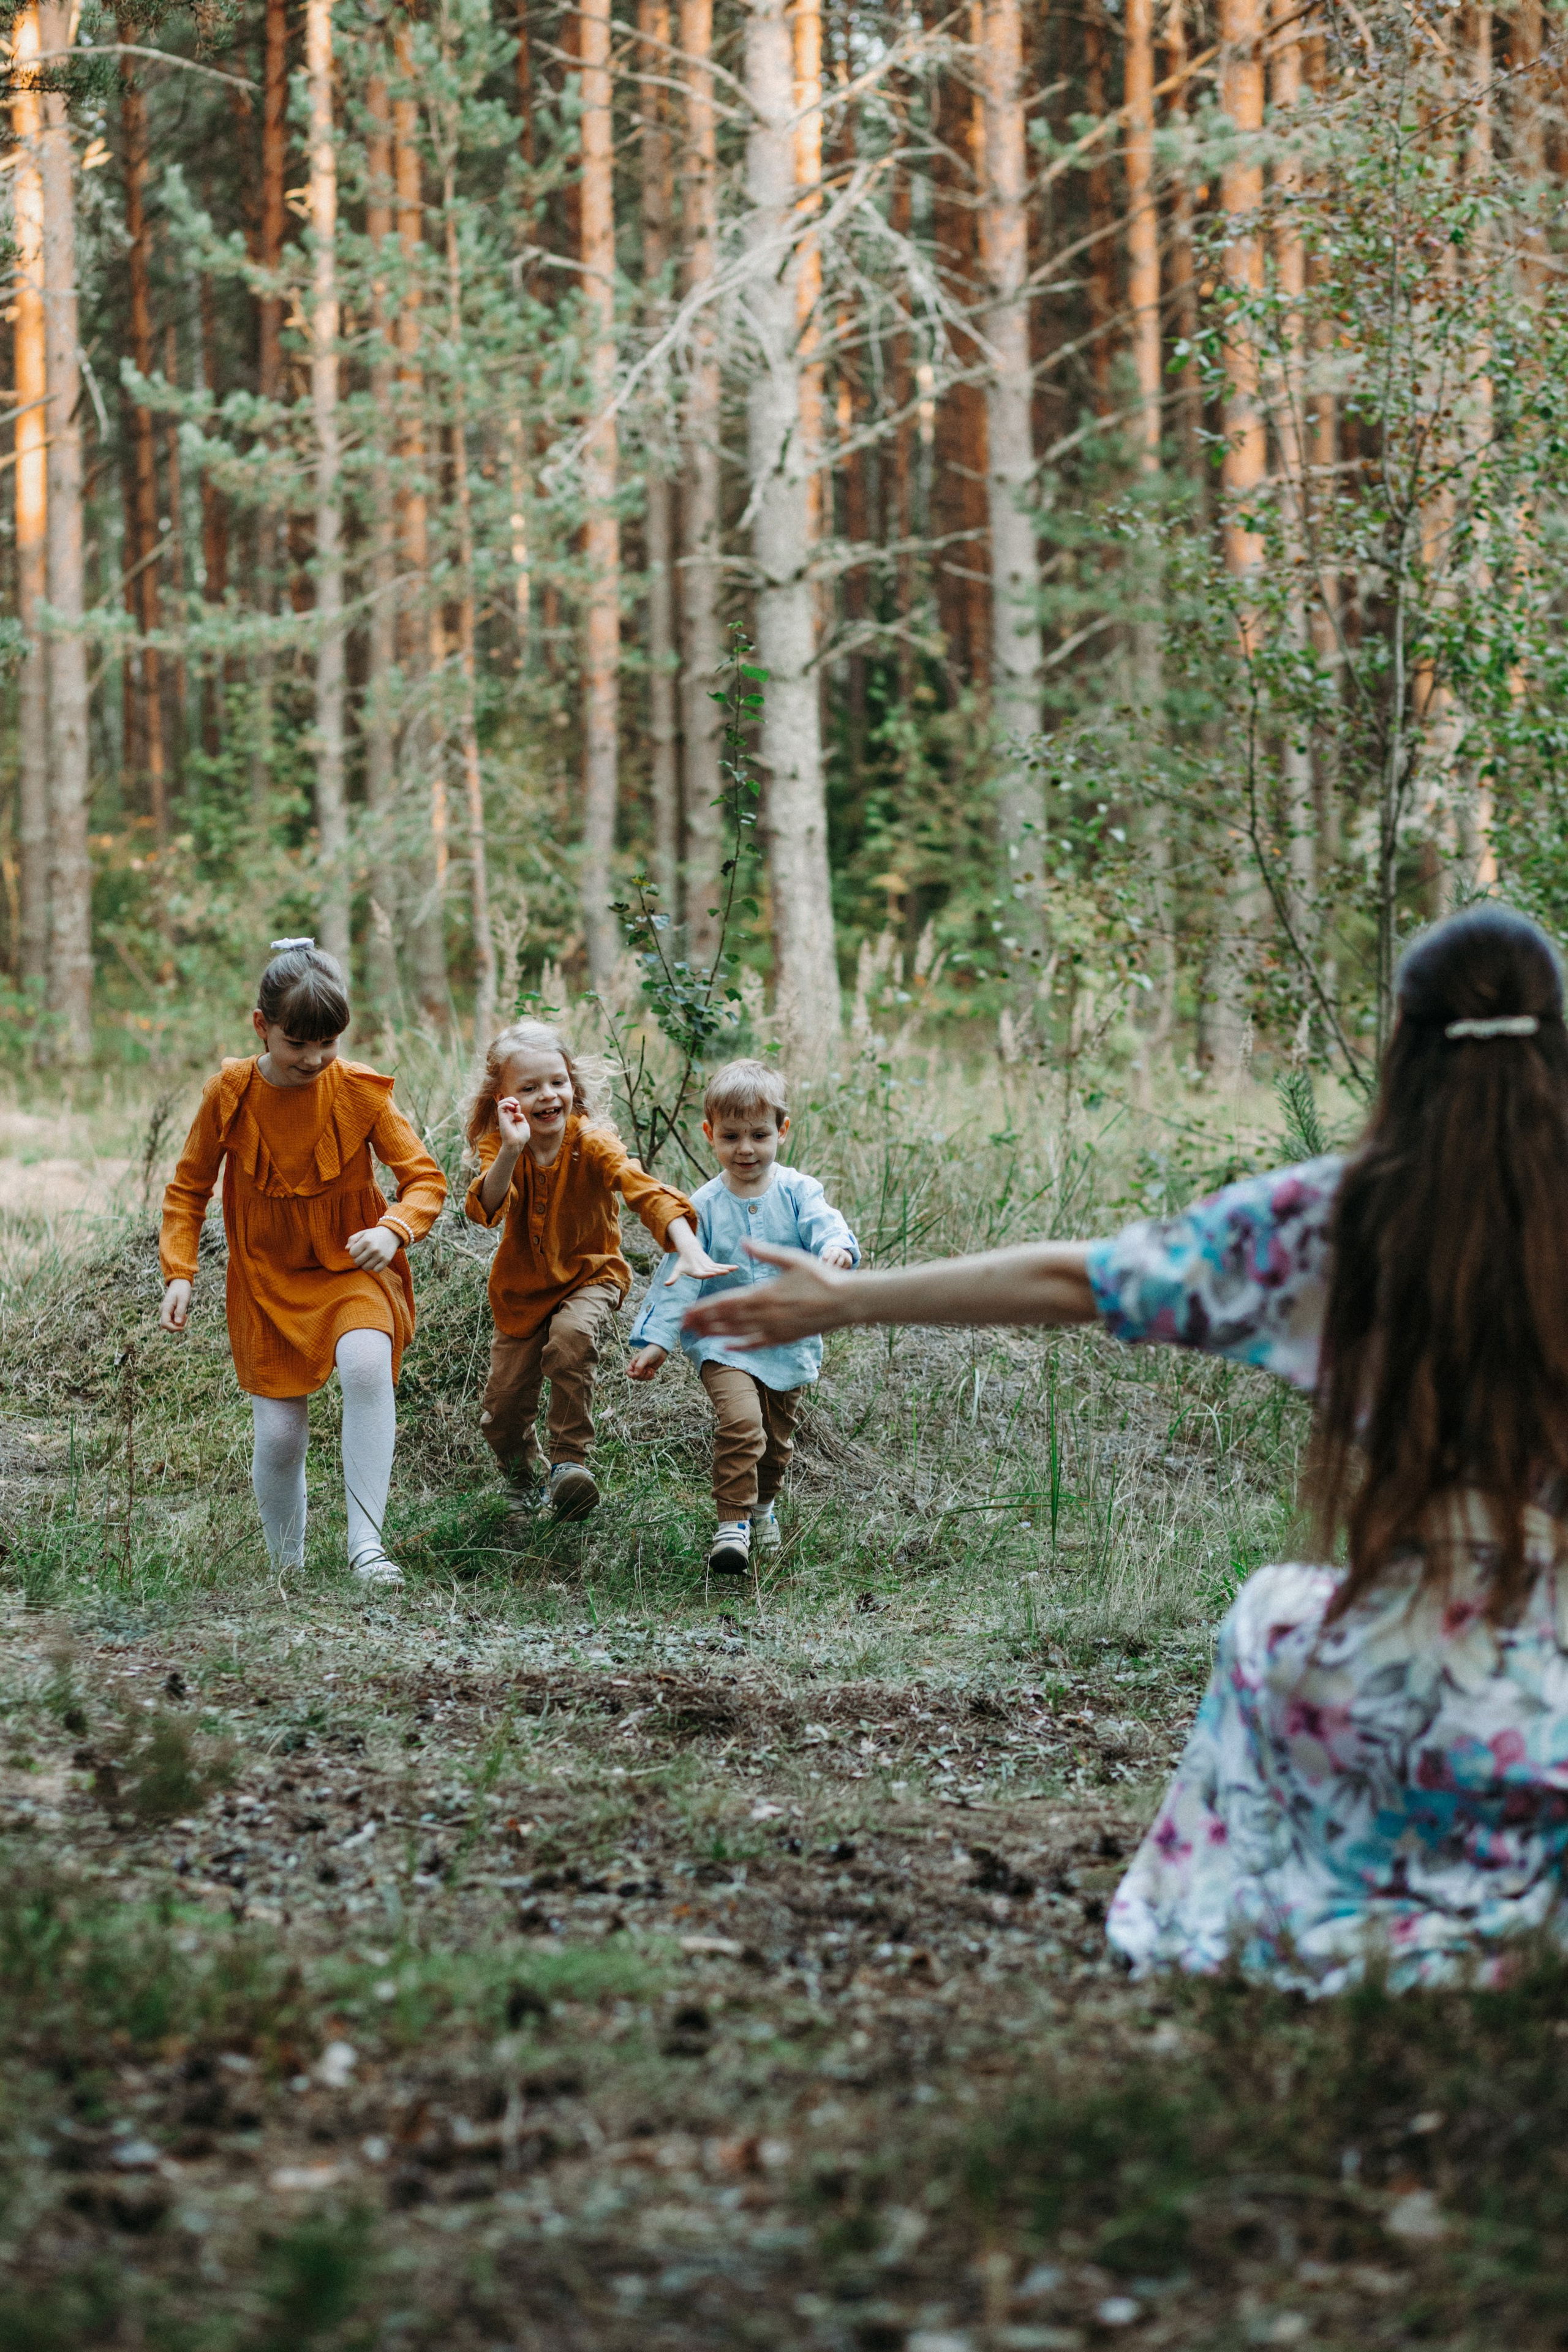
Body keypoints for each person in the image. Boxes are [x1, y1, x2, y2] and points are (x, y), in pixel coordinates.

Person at [684, 905, 1568, 1993]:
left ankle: (1343, 1919)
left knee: (1270, 1625)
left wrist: (853, 1299)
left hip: (1397, 1671)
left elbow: (1083, 1279)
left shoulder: (1340, 1221)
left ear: (1405, 1046)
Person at [159, 940, 447, 1588]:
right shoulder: (228, 1094)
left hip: (350, 1267)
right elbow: (187, 1190)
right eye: (297, 1045)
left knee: (368, 1364)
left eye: (328, 1045)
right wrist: (180, 1271)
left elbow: (425, 1179)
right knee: (282, 1435)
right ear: (261, 1027)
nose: (314, 1060)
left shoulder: (360, 1094)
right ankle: (285, 1564)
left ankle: (366, 1545)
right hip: (265, 1278)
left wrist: (394, 1229)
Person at [464, 1020, 735, 1524]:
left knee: (569, 1339)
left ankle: (569, 1465)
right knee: (501, 1410)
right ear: (502, 1099)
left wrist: (687, 1245)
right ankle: (524, 1482)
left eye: (557, 1082)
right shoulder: (499, 1146)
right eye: (529, 1088)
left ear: (573, 1085)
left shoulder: (592, 1141)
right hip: (521, 1292)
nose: (548, 1096)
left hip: (592, 1275)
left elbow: (640, 1188)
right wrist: (510, 1149)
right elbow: (486, 1210)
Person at [627, 1058, 859, 1576]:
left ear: (783, 1130)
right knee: (742, 1424)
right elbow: (681, 1275)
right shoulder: (702, 1207)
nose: (746, 1149)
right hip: (723, 1341)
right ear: (709, 1134)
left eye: (759, 1134)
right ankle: (731, 1525)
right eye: (731, 1136)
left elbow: (828, 1227)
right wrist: (659, 1341)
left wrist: (836, 1251)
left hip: (787, 1338)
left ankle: (762, 1509)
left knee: (776, 1444)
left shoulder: (800, 1192)